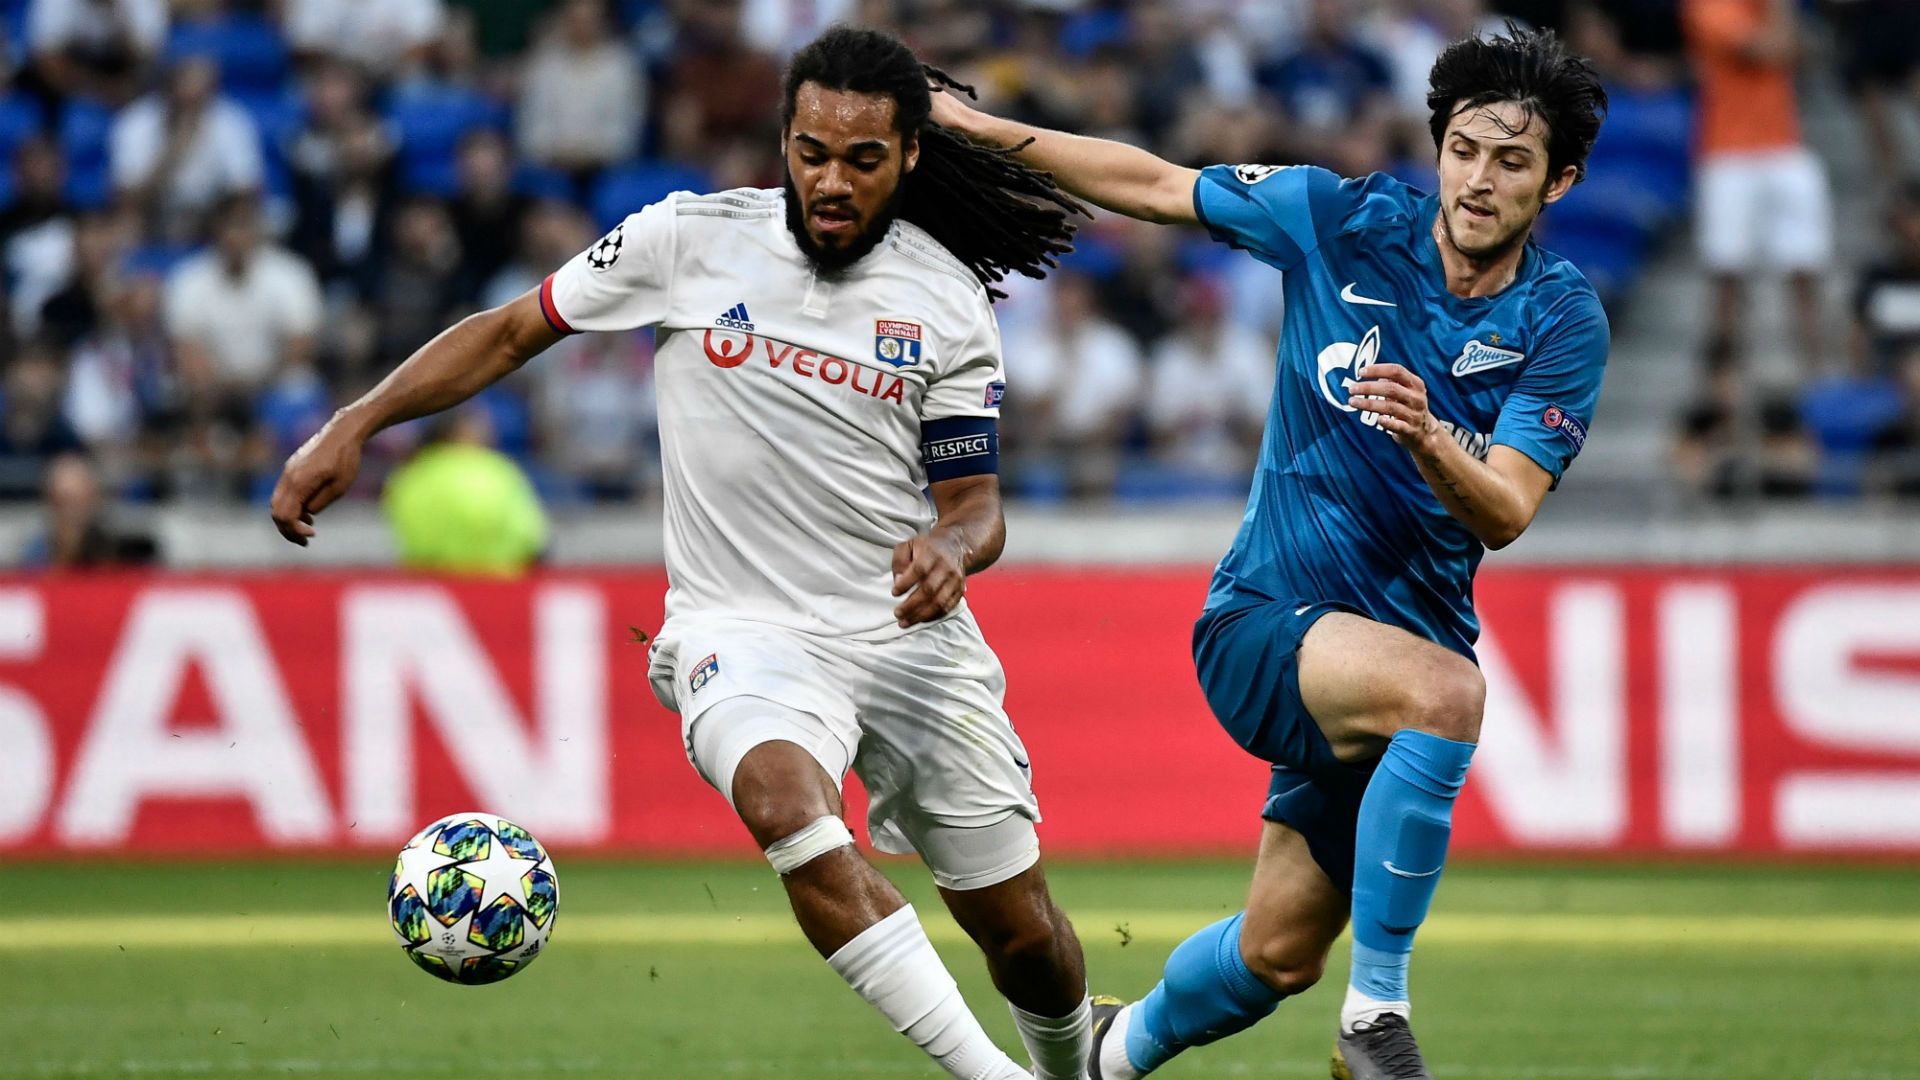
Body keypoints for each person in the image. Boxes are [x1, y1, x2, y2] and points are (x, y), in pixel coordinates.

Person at [271, 25, 1095, 1080]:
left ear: (911, 158)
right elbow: (513, 330)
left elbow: (978, 504)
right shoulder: (684, 241)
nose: (830, 181)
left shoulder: (945, 300)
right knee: (785, 807)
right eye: (810, 152)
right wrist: (358, 419)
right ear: (783, 140)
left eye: (862, 159)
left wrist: (953, 545)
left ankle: (1074, 1068)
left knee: (1023, 935)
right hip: (741, 631)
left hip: (905, 638)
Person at [935, 24, 1610, 1080]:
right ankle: (1374, 1020)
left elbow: (1508, 509)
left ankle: (1110, 1056)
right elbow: (1152, 182)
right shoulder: (1338, 219)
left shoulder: (1562, 318)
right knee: (1450, 696)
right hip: (1264, 621)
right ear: (1438, 147)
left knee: (1276, 955)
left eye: (1513, 160)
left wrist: (1431, 435)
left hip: (1386, 665)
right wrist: (973, 128)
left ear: (1558, 181)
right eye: (1467, 149)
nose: (1479, 180)